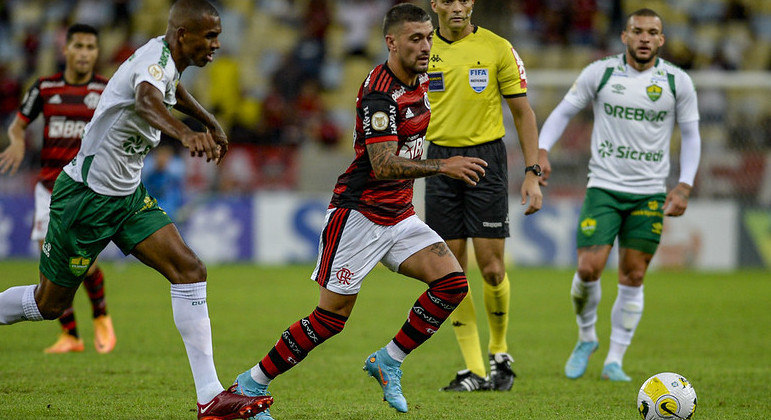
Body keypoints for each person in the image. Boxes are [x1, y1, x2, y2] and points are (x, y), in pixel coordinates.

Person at [0, 1, 273, 418]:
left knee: (189, 270)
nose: (217, 44)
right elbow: (148, 100)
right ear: (184, 35)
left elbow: (172, 89)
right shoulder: (152, 62)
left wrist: (209, 121)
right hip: (85, 200)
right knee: (48, 305)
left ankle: (211, 397)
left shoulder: (167, 60)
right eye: (210, 36)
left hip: (126, 198)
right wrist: (184, 133)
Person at [228, 3, 486, 417]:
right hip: (359, 215)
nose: (426, 46)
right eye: (416, 39)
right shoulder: (379, 94)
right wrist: (443, 165)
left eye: (428, 37)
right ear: (391, 42)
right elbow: (383, 165)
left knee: (452, 285)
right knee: (331, 318)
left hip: (399, 216)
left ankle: (388, 360)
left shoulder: (421, 77)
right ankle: (248, 385)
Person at [538, 8, 701, 382]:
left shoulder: (679, 82)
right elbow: (564, 112)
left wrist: (685, 183)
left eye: (652, 32)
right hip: (604, 189)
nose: (644, 38)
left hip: (648, 194)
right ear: (624, 36)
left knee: (633, 275)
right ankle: (586, 338)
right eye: (637, 31)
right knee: (587, 268)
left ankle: (615, 360)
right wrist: (543, 150)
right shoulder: (601, 72)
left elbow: (691, 136)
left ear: (661, 40)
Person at [424, 0, 543, 392]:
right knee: (451, 276)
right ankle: (474, 370)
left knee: (492, 269)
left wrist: (532, 172)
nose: (457, 7)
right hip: (439, 162)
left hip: (485, 159)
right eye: (449, 0)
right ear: (435, 5)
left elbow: (523, 113)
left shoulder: (497, 47)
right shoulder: (423, 49)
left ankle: (500, 354)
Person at [0, 23, 117, 355]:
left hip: (86, 191)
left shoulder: (107, 91)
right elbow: (18, 126)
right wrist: (17, 144)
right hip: (49, 188)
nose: (83, 53)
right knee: (48, 266)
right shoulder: (45, 87)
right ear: (65, 50)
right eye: (78, 45)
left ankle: (101, 316)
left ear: (96, 53)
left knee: (83, 264)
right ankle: (70, 335)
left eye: (90, 47)